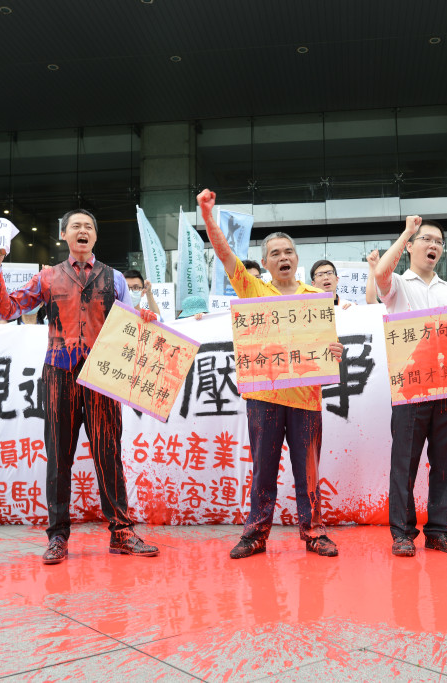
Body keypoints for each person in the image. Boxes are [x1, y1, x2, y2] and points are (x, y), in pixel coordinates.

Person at [0, 208, 160, 564]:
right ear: (64, 235)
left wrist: (145, 319)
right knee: (59, 456)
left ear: (95, 237)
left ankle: (122, 532)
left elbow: (130, 325)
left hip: (103, 374)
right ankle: (58, 536)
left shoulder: (115, 279)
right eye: (76, 226)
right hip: (58, 374)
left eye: (89, 227)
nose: (83, 231)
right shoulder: (47, 277)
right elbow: (5, 310)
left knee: (108, 454)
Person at [197, 188, 343, 559]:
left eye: (288, 252)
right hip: (263, 396)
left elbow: (327, 347)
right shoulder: (254, 291)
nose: (283, 257)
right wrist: (208, 216)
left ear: (297, 259)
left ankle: (313, 531)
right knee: (263, 467)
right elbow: (226, 256)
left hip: (307, 397)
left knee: (307, 469)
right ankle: (256, 533)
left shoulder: (315, 297)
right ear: (265, 262)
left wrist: (335, 351)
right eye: (274, 253)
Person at [374, 214, 447, 556]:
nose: (434, 245)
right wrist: (407, 230)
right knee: (404, 463)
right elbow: (379, 273)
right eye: (426, 239)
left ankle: (440, 530)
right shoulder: (398, 285)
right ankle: (402, 533)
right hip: (411, 390)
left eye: (439, 242)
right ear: (410, 246)